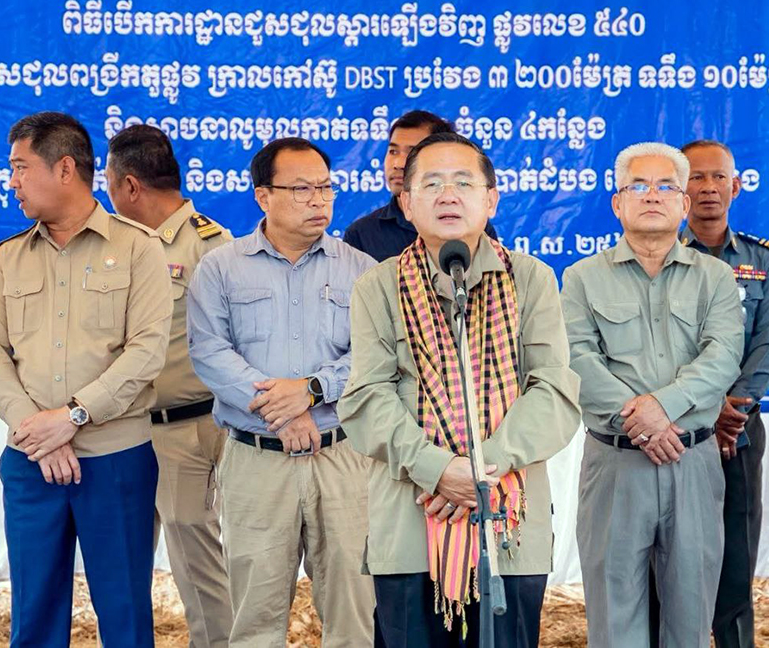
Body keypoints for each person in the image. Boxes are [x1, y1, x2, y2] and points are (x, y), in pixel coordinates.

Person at [337, 132, 581, 647]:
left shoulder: (531, 279)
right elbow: (366, 398)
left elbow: (553, 390)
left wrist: (479, 473)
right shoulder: (377, 286)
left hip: (509, 526)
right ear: (406, 203)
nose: (448, 195)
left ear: (491, 199)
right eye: (431, 184)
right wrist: (438, 470)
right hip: (411, 521)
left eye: (463, 183)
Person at [0, 112, 172, 646]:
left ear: (65, 168)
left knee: (125, 615)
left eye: (20, 167)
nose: (11, 181)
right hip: (30, 462)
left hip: (116, 459)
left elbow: (146, 351)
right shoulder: (7, 258)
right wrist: (39, 432)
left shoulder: (138, 248)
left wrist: (73, 418)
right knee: (34, 614)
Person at [186, 138, 376, 647]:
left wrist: (312, 391)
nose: (318, 200)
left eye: (326, 188)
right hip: (256, 461)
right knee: (255, 620)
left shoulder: (361, 270)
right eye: (301, 189)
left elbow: (374, 355)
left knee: (353, 614)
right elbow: (209, 352)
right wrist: (284, 411)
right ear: (263, 196)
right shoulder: (220, 268)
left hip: (340, 458)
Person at [562, 142, 744, 647]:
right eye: (638, 185)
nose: (652, 196)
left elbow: (723, 355)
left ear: (684, 204)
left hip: (693, 461)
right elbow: (577, 361)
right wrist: (641, 425)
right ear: (617, 203)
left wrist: (662, 409)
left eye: (666, 186)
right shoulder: (581, 279)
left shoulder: (715, 277)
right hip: (616, 465)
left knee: (690, 617)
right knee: (613, 612)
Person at [105, 124, 234, 648]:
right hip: (121, 431)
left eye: (109, 183)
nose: (107, 196)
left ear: (131, 185)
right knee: (121, 567)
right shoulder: (116, 244)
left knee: (198, 573)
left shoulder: (211, 246)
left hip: (185, 430)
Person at [677, 139, 769, 647]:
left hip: (738, 430)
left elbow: (768, 341)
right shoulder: (661, 256)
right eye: (696, 177)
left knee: (737, 559)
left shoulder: (762, 258)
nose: (708, 187)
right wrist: (704, 407)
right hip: (675, 430)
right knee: (670, 558)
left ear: (736, 186)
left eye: (718, 176)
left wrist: (732, 412)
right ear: (679, 189)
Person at [342, 110, 496, 260]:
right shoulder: (361, 234)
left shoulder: (471, 226)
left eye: (411, 153)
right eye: (393, 151)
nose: (398, 164)